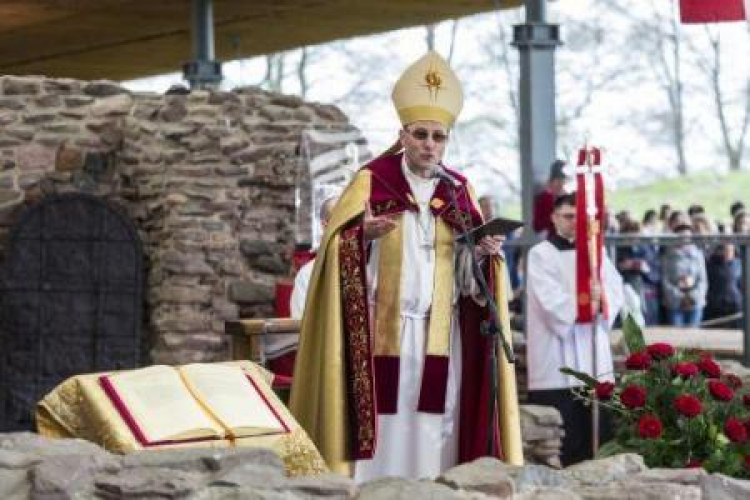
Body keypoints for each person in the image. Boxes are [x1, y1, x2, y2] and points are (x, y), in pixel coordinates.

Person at [289, 51, 523, 480]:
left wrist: (484, 255)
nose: (430, 145)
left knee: (439, 426)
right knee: (386, 427)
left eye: (439, 136)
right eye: (421, 135)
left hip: (441, 335)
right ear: (403, 134)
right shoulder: (371, 181)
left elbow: (471, 283)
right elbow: (331, 257)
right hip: (383, 333)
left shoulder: (458, 189)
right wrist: (361, 239)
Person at [526, 193, 624, 467]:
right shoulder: (540, 254)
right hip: (558, 360)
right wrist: (584, 303)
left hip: (594, 359)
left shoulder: (597, 252)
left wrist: (602, 298)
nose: (573, 223)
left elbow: (615, 290)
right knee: (565, 445)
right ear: (554, 218)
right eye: (568, 216)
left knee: (600, 441)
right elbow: (550, 300)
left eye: (578, 217)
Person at [661, 212, 707, 327]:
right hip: (675, 305)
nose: (684, 238)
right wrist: (680, 298)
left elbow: (703, 280)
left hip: (695, 303)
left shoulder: (698, 255)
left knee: (694, 338)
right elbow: (665, 281)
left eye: (687, 235)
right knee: (678, 339)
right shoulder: (668, 255)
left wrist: (692, 297)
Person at [532, 159, 569, 236]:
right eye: (558, 180)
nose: (561, 184)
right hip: (549, 239)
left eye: (563, 180)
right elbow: (537, 226)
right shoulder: (545, 198)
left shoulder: (567, 197)